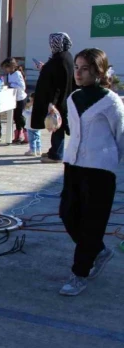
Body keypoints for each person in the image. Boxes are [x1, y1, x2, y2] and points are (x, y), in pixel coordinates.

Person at [58, 48, 124, 296]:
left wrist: (108, 159)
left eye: (85, 68)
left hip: (99, 170)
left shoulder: (111, 101)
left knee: (91, 223)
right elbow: (73, 131)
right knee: (67, 214)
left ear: (99, 72)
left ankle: (79, 274)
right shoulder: (73, 98)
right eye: (76, 67)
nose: (78, 72)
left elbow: (121, 136)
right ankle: (98, 251)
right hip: (73, 165)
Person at [32, 32, 76, 163]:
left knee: (57, 126)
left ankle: (56, 155)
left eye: (54, 42)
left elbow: (57, 83)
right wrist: (44, 68)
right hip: (63, 98)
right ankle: (54, 150)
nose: (51, 44)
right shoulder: (64, 57)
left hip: (58, 100)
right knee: (57, 125)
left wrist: (52, 103)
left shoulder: (60, 59)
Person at [1, 58, 28, 143]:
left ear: (12, 66)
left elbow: (22, 86)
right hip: (13, 99)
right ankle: (18, 135)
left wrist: (11, 85)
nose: (6, 70)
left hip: (20, 98)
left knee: (21, 117)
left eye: (7, 67)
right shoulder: (10, 74)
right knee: (15, 117)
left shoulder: (17, 74)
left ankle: (27, 135)